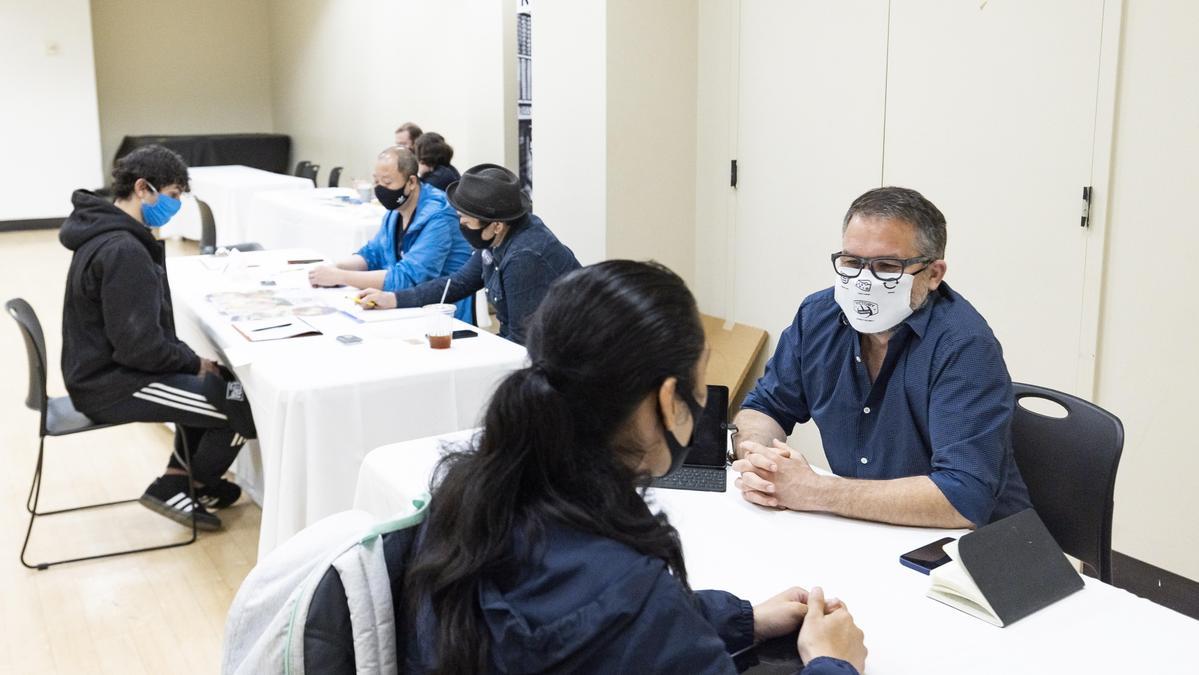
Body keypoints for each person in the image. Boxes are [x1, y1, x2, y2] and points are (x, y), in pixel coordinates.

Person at [402, 260, 867, 674]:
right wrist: (834, 662)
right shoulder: (626, 593)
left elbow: (607, 629)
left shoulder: (470, 489)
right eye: (701, 380)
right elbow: (624, 621)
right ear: (668, 400)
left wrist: (744, 619)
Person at [731, 187, 1031, 529]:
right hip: (865, 528)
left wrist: (816, 491)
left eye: (887, 266)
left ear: (934, 274)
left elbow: (963, 497)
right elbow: (765, 407)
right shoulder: (818, 317)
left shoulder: (964, 346)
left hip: (971, 548)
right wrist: (759, 458)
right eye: (852, 262)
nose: (863, 281)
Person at [59, 145, 257, 531]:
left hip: (110, 369)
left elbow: (141, 338)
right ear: (142, 189)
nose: (177, 205)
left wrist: (190, 362)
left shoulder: (111, 233)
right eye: (172, 195)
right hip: (109, 384)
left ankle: (191, 483)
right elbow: (138, 346)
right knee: (239, 404)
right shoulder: (123, 249)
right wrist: (191, 361)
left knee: (218, 384)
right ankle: (182, 486)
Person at [357, 163, 580, 344]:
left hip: (565, 354)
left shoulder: (525, 256)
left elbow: (521, 343)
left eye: (466, 220)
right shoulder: (497, 238)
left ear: (496, 225)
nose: (460, 224)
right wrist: (393, 299)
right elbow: (458, 282)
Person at [308, 146, 475, 321]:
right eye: (376, 181)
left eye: (387, 182)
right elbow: (373, 254)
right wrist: (335, 267)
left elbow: (408, 277)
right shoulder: (397, 209)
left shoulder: (439, 215)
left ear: (411, 182)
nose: (380, 189)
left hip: (443, 314)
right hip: (406, 304)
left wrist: (341, 276)